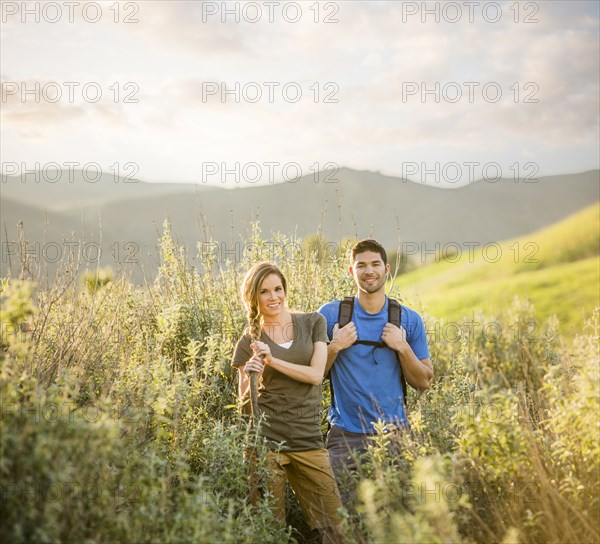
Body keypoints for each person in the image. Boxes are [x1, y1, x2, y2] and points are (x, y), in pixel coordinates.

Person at [232, 261, 343, 543]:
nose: (273, 297)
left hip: (307, 438)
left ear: (285, 289)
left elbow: (316, 375)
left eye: (278, 289)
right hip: (265, 444)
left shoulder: (312, 323)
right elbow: (244, 405)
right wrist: (253, 374)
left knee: (336, 526)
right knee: (269, 531)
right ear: (253, 297)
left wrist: (272, 361)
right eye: (264, 291)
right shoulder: (250, 340)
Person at [318, 239, 434, 504]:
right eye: (361, 265)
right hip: (344, 437)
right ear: (351, 271)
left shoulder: (408, 319)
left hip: (395, 436)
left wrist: (402, 347)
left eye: (375, 264)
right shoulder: (330, 315)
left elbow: (424, 382)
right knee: (339, 523)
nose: (369, 271)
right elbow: (313, 376)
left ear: (387, 269)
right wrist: (335, 347)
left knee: (397, 521)